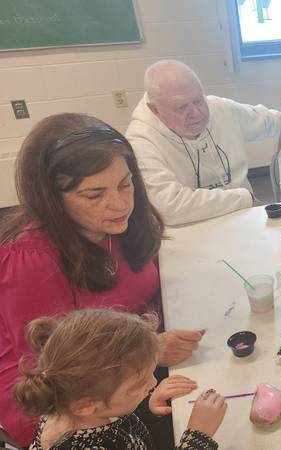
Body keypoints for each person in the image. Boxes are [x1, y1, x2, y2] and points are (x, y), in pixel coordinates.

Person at [0, 113, 204, 446]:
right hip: (70, 404)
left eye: (125, 183)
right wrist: (150, 351)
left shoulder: (115, 224)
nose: (120, 203)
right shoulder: (32, 261)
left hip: (131, 364)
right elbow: (63, 371)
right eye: (94, 194)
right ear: (53, 199)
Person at [15, 309, 227, 450]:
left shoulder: (72, 402)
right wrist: (198, 437)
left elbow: (117, 417)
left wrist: (147, 404)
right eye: (140, 382)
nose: (153, 383)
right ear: (85, 406)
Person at [126, 60, 281, 225]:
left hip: (244, 216)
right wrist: (244, 198)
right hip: (188, 228)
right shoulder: (140, 140)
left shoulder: (220, 109)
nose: (195, 113)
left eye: (198, 100)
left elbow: (275, 121)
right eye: (181, 108)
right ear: (154, 109)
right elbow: (168, 206)